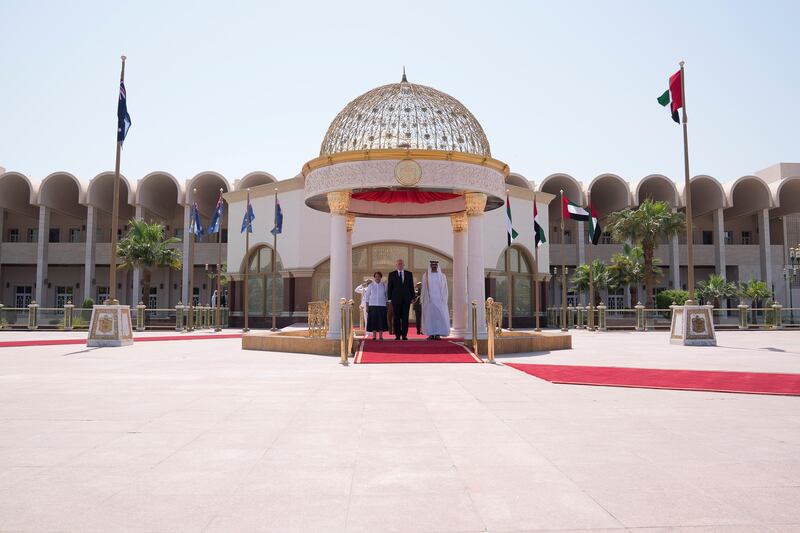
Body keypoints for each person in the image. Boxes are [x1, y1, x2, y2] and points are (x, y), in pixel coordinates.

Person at [387, 258, 414, 340]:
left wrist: (412, 297)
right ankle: (397, 335)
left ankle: (404, 335)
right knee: (396, 317)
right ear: (396, 265)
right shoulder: (392, 274)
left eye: (401, 264)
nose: (400, 265)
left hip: (406, 299)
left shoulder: (409, 274)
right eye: (399, 264)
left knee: (405, 318)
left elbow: (411, 287)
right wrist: (389, 299)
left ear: (404, 265)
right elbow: (390, 287)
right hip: (396, 300)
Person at [421, 260, 449, 340]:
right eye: (432, 265)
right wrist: (422, 299)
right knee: (430, 318)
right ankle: (431, 333)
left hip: (439, 301)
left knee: (439, 318)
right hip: (429, 301)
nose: (434, 266)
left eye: (435, 265)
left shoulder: (442, 276)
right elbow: (423, 288)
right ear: (430, 266)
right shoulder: (425, 276)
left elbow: (445, 289)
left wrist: (444, 299)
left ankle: (437, 334)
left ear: (437, 266)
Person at [364, 271, 388, 340]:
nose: (377, 278)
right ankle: (374, 336)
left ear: (381, 277)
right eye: (376, 276)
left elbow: (386, 296)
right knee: (373, 321)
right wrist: (367, 306)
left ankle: (380, 336)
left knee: (381, 321)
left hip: (382, 306)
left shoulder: (384, 285)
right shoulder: (371, 285)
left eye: (379, 276)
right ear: (374, 277)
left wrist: (387, 305)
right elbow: (367, 296)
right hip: (372, 306)